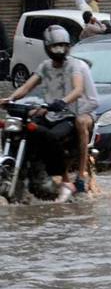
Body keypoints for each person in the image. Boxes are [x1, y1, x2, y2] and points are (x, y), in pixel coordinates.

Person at [2, 25, 98, 198]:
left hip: (73, 113)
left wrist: (62, 102)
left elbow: (77, 89)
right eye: (55, 46)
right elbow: (26, 87)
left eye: (62, 46)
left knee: (52, 135)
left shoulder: (75, 65)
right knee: (24, 128)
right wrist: (9, 100)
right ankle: (24, 173)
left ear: (68, 46)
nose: (59, 50)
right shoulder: (45, 66)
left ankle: (70, 178)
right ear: (47, 47)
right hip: (51, 113)